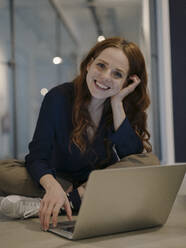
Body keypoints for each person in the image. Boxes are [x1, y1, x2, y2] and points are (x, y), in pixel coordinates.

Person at [0, 37, 153, 231]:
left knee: (148, 162)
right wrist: (52, 186)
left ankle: (58, 204)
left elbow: (131, 155)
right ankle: (63, 199)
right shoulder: (58, 97)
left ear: (126, 82)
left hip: (94, 184)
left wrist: (117, 103)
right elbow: (37, 156)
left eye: (117, 74)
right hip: (58, 178)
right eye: (101, 65)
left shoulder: (119, 107)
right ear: (89, 64)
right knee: (3, 170)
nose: (106, 76)